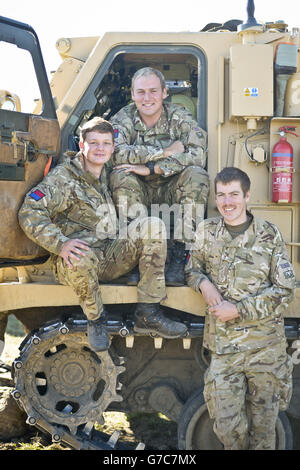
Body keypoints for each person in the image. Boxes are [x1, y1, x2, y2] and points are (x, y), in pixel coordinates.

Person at [18, 117, 187, 353]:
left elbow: (139, 154)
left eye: (106, 143)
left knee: (153, 225)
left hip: (111, 252)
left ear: (112, 147)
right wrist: (61, 244)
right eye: (94, 143)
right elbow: (29, 211)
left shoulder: (109, 169)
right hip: (78, 260)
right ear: (81, 145)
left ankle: (148, 311)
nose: (100, 149)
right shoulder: (64, 178)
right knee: (80, 257)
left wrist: (165, 153)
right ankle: (96, 320)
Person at [185, 166, 295, 450]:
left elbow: (285, 289)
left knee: (264, 432)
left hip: (265, 351)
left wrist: (239, 310)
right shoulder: (206, 232)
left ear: (247, 196)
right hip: (224, 349)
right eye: (221, 195)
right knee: (227, 428)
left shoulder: (268, 235)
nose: (227, 202)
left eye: (234, 194)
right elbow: (191, 269)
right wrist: (203, 285)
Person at [110, 67, 210, 286]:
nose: (147, 98)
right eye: (141, 92)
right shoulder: (123, 118)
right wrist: (163, 152)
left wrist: (154, 168)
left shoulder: (179, 116)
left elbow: (198, 155)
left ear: (164, 92)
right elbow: (115, 153)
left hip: (171, 188)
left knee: (196, 175)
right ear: (133, 95)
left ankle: (179, 257)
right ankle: (136, 258)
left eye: (153, 91)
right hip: (140, 189)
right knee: (121, 176)